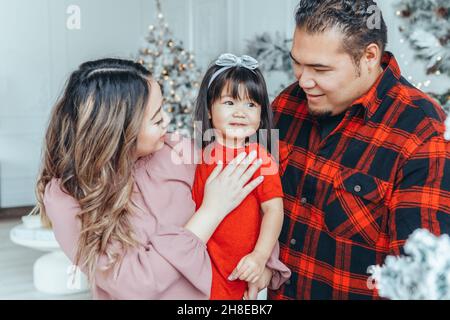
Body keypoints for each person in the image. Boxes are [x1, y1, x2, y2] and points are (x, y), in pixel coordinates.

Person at [33, 58, 288, 299]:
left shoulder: (178, 150)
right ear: (119, 131)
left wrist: (265, 262)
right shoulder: (67, 197)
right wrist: (211, 212)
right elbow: (133, 284)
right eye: (156, 119)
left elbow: (255, 206)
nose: (167, 122)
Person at [269, 0, 450, 300]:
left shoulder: (422, 133)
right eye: (297, 63)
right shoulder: (286, 107)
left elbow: (418, 282)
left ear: (369, 56)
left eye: (320, 68)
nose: (303, 80)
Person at [192, 53, 291, 300]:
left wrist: (260, 256)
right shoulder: (199, 157)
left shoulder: (259, 158)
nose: (240, 112)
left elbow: (274, 211)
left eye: (251, 105)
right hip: (207, 269)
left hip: (244, 269)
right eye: (229, 103)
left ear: (261, 113)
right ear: (209, 108)